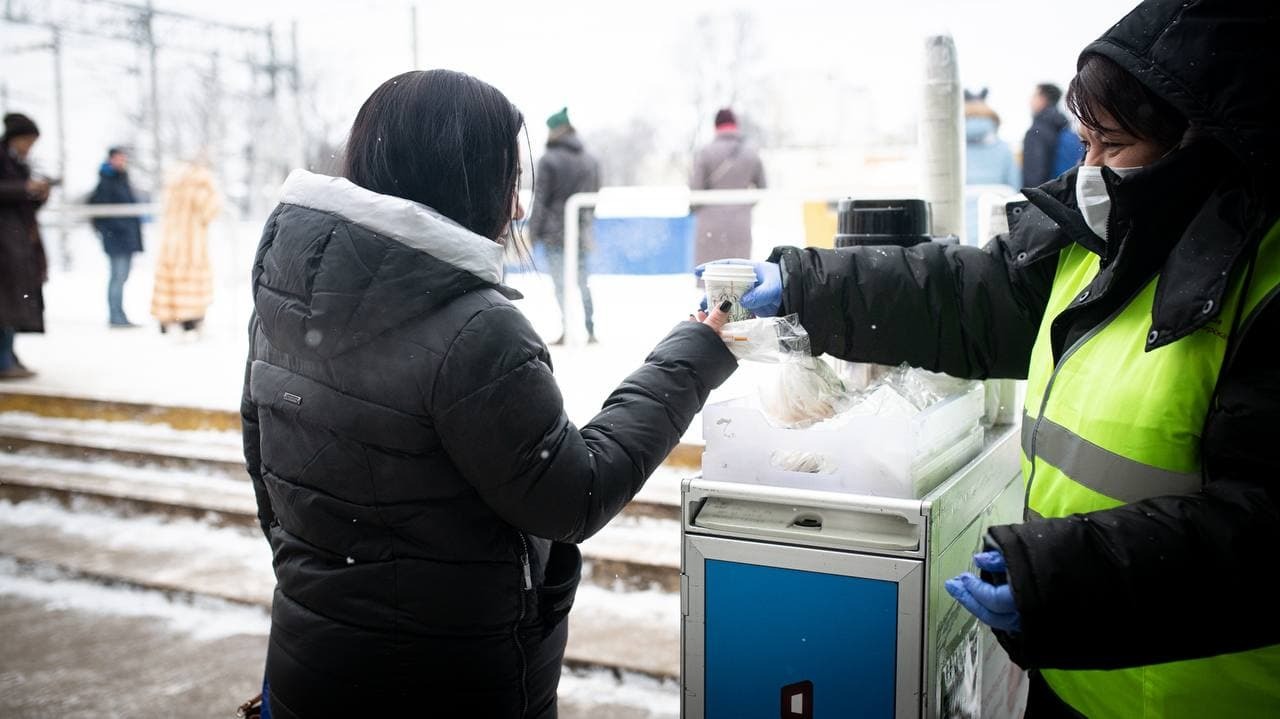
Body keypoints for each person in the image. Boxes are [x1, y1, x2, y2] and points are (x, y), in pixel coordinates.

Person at [700, 0, 1280, 715]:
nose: (1090, 170)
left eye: (1115, 145)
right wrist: (807, 285)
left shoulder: (1265, 286)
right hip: (1069, 677)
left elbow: (1261, 534)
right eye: (1084, 142)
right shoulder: (1106, 243)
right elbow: (966, 292)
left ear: (1203, 149)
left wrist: (1058, 579)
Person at [241, 70, 737, 719]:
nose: (519, 207)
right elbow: (572, 494)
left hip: (310, 669)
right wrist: (696, 351)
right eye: (510, 177)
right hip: (443, 683)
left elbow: (268, 480)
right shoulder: (474, 327)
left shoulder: (289, 295)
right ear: (464, 177)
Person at [530, 107, 600, 344]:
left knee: (561, 285)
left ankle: (566, 330)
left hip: (554, 234)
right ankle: (590, 330)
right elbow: (594, 198)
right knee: (583, 282)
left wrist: (533, 232)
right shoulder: (591, 160)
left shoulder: (548, 160)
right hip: (582, 232)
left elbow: (540, 200)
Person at [0, 113, 49, 380]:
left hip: (18, 241)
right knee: (5, 305)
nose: (29, 147)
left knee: (13, 304)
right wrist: (23, 188)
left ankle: (8, 356)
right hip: (5, 245)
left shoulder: (18, 164)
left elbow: (24, 205)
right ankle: (3, 360)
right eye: (27, 140)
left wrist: (38, 194)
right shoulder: (4, 161)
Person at [151, 159, 221, 335]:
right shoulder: (200, 185)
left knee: (170, 282)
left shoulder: (172, 183)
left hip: (170, 242)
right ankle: (190, 321)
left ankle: (168, 321)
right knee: (191, 283)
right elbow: (210, 210)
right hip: (191, 242)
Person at [690, 108, 766, 266]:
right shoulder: (751, 153)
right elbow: (762, 188)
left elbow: (695, 190)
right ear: (735, 125)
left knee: (711, 277)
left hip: (710, 226)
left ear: (716, 127)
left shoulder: (705, 153)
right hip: (740, 224)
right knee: (738, 278)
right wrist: (743, 205)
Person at [89, 147, 144, 328]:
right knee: (117, 277)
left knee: (122, 277)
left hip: (126, 238)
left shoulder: (122, 180)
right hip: (116, 239)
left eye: (123, 159)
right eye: (118, 158)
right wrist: (116, 229)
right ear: (111, 159)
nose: (122, 162)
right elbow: (101, 211)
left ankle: (119, 315)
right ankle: (116, 317)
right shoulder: (106, 182)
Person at [964, 88, 1021, 244]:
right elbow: (1014, 185)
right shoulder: (1004, 149)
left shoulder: (951, 151)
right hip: (996, 217)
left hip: (960, 217)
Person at [1022, 83, 1084, 187]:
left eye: (1034, 96)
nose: (1030, 101)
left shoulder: (1037, 131)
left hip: (1046, 195)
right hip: (1065, 191)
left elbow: (1034, 174)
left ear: (1042, 99)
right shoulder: (1063, 126)